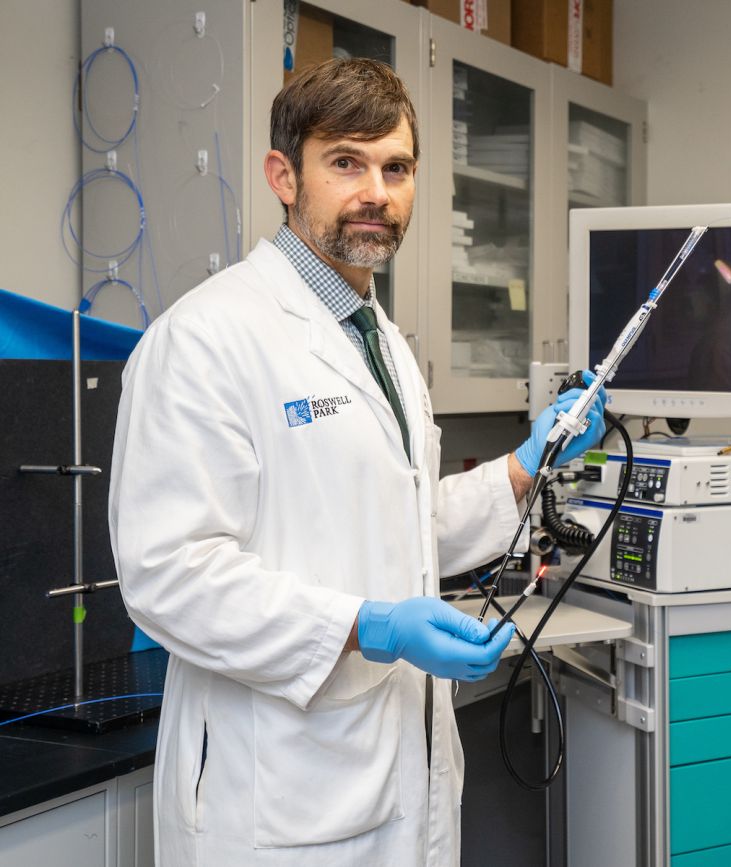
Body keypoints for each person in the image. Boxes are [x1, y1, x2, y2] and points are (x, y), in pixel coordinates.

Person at [108, 59, 605, 866]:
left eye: (396, 167)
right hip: (277, 794)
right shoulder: (204, 340)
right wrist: (367, 625)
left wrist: (523, 465)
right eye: (346, 161)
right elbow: (170, 574)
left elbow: (401, 526)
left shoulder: (380, 339)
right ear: (283, 175)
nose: (376, 190)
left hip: (398, 776)